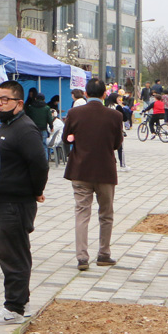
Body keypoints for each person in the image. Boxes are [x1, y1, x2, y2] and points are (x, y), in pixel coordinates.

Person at [0, 81, 48, 326]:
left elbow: (40, 164)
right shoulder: (6, 125)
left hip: (14, 204)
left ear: (19, 103)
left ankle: (14, 308)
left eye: (5, 99)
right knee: (8, 253)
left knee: (13, 256)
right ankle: (22, 301)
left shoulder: (25, 129)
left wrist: (36, 191)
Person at [63, 77, 123, 271]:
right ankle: (104, 254)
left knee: (82, 213)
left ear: (86, 94)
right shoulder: (115, 116)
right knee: (106, 214)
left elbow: (66, 138)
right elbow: (116, 144)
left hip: (80, 170)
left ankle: (82, 257)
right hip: (105, 171)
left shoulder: (74, 113)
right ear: (105, 94)